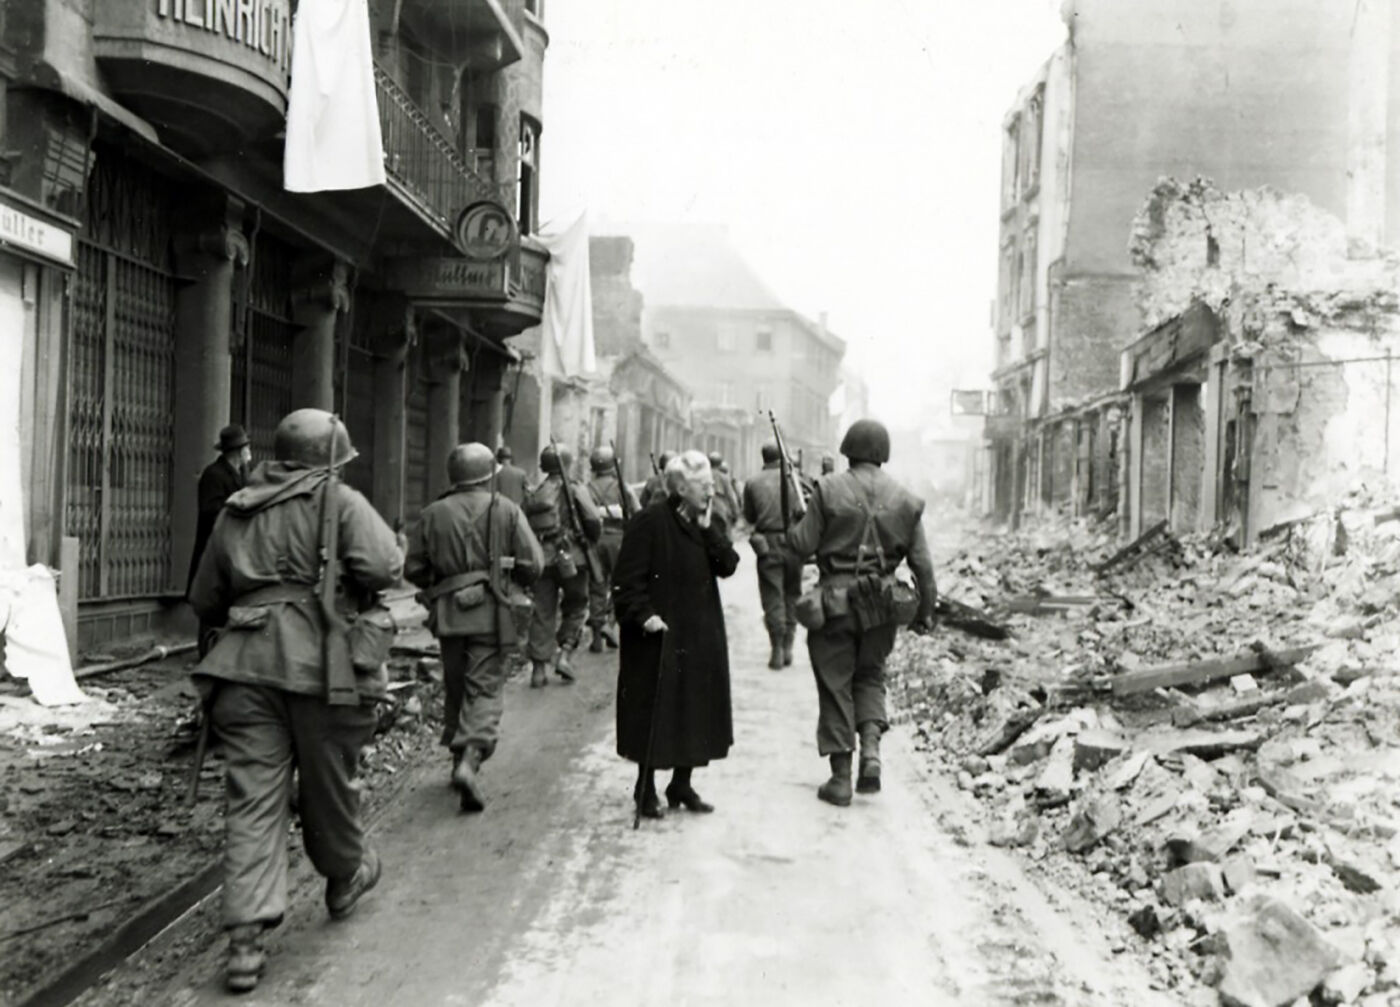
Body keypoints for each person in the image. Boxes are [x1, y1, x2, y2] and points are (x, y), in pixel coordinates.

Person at [188, 409, 402, 993]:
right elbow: (385, 566)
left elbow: (204, 597)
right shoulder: (340, 500)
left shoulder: (237, 509)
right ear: (329, 460)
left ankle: (245, 940)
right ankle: (344, 876)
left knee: (253, 801)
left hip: (242, 672)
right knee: (330, 787)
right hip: (323, 668)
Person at [785, 419, 937, 807]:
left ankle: (840, 779)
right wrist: (925, 612)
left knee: (836, 683)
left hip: (836, 604)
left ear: (848, 450)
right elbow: (922, 565)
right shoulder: (906, 499)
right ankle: (871, 754)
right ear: (883, 453)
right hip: (882, 606)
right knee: (870, 676)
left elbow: (800, 545)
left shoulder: (828, 489)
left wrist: (796, 519)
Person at [405, 443, 543, 812]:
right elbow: (533, 563)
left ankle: (456, 758)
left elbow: (413, 568)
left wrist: (441, 584)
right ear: (488, 476)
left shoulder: (432, 512)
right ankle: (470, 758)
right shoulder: (506, 509)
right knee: (484, 688)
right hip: (491, 612)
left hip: (449, 614)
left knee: (456, 684)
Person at [613, 450, 739, 819]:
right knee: (655, 709)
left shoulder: (706, 522)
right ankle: (645, 787)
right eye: (704, 486)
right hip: (659, 633)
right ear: (681, 488)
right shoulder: (649, 522)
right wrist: (644, 616)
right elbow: (625, 582)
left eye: (712, 485)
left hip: (699, 632)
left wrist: (708, 529)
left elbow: (728, 565)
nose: (711, 492)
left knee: (696, 707)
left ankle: (681, 784)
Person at [522, 445, 601, 687]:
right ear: (567, 464)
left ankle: (538, 671)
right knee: (576, 606)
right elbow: (593, 519)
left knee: (542, 611)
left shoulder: (537, 491)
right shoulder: (575, 488)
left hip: (542, 558)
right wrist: (588, 541)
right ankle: (564, 655)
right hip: (573, 557)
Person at [188, 424, 252, 657]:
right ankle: (206, 653)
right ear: (238, 451)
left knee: (226, 602)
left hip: (232, 547)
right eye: (246, 448)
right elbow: (210, 510)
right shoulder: (214, 474)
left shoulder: (240, 474)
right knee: (211, 604)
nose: (249, 453)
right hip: (214, 548)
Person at [742, 442, 805, 670]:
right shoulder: (795, 479)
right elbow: (804, 510)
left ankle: (777, 647)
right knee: (792, 593)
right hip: (794, 543)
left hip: (768, 544)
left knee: (772, 597)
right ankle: (788, 646)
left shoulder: (753, 482)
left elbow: (749, 516)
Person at [585, 445, 641, 653]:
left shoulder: (587, 488)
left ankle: (596, 637)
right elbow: (637, 513)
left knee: (596, 586)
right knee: (621, 584)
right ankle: (609, 622)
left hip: (594, 541)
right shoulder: (622, 487)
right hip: (618, 540)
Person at [707, 450, 742, 530]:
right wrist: (736, 513)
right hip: (720, 510)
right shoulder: (723, 478)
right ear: (720, 463)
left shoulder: (704, 475)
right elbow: (731, 497)